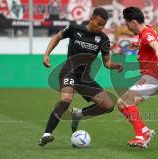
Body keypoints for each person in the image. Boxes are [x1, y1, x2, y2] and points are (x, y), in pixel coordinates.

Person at [38, 7, 123, 146]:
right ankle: (47, 134)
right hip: (68, 72)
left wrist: (117, 65)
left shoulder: (103, 38)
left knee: (108, 105)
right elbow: (57, 37)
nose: (100, 27)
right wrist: (46, 54)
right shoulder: (73, 28)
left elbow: (107, 63)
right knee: (66, 98)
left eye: (103, 25)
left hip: (85, 78)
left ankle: (79, 114)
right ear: (91, 18)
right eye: (98, 23)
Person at [116, 7, 158, 149]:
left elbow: (154, 43)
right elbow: (150, 41)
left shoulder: (146, 33)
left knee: (128, 100)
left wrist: (157, 52)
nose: (126, 27)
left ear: (133, 22)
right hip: (151, 77)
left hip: (153, 77)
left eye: (127, 23)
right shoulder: (147, 32)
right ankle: (145, 131)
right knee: (121, 103)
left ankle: (140, 137)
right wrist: (139, 46)